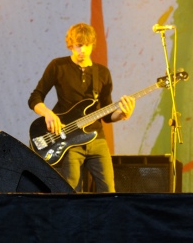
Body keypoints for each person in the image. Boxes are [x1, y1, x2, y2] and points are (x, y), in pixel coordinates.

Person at [28, 22, 135, 192]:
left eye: (87, 45)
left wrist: (122, 114)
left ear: (93, 44)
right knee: (71, 190)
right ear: (71, 44)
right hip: (69, 139)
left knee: (109, 191)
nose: (82, 50)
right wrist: (48, 114)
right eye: (78, 45)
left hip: (97, 138)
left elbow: (107, 114)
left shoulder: (102, 73)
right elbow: (35, 97)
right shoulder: (58, 66)